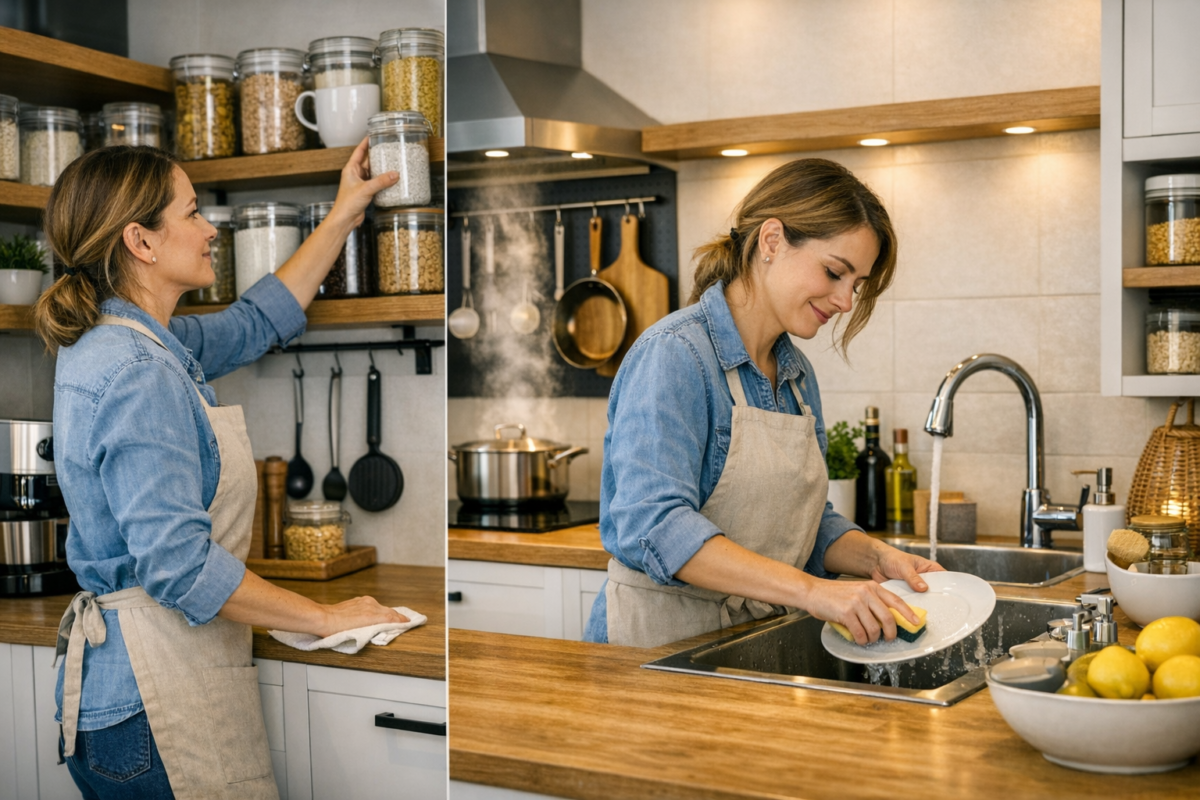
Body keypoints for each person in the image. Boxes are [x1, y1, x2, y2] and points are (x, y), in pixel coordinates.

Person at [34, 142, 404, 800]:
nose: (211, 229)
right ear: (141, 242)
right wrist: (320, 617)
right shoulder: (137, 370)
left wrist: (347, 210)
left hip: (141, 689)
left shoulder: (137, 340)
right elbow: (179, 564)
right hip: (153, 698)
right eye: (194, 212)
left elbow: (258, 320)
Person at [583, 158, 944, 649]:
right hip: (657, 654)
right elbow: (653, 527)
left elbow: (799, 526)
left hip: (751, 644)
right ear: (771, 241)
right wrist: (811, 592)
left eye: (855, 285)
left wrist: (876, 558)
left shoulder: (796, 375)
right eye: (835, 273)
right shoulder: (675, 355)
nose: (844, 302)